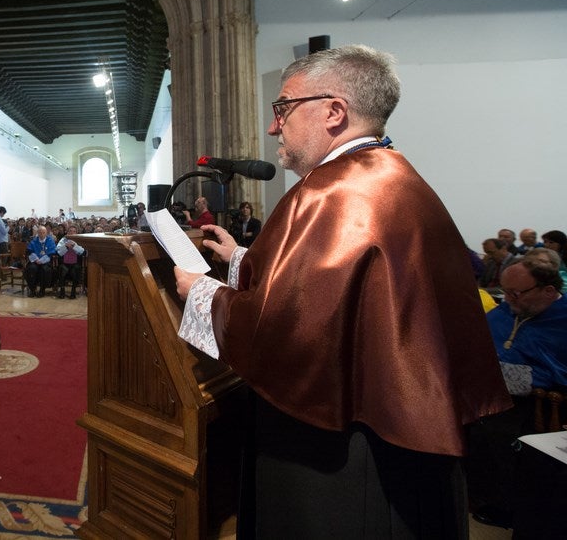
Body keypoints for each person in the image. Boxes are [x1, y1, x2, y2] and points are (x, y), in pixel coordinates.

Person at [173, 45, 510, 537]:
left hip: (347, 454)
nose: (274, 127)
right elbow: (352, 291)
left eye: (283, 107)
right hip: (398, 429)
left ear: (334, 111)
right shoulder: (389, 176)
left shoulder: (334, 192)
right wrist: (241, 260)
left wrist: (200, 291)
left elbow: (286, 330)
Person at [466, 259, 567, 528]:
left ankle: (506, 505)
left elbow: (558, 371)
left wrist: (511, 375)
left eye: (516, 293)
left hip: (540, 401)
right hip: (491, 389)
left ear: (547, 290)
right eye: (505, 291)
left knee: (495, 431)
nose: (508, 298)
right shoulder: (507, 310)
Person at [25, 225, 57, 298]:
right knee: (31, 269)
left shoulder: (50, 240)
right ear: (37, 233)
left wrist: (42, 260)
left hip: (46, 261)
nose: (42, 234)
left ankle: (42, 290)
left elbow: (51, 253)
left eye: (43, 232)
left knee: (45, 269)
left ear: (46, 233)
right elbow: (29, 251)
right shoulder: (34, 241)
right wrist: (36, 259)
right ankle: (32, 289)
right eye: (40, 232)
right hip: (35, 261)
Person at [56, 225, 85, 299]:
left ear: (77, 232)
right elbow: (59, 252)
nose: (72, 233)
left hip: (75, 263)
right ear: (67, 232)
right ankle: (62, 290)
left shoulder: (80, 239)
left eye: (74, 231)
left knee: (76, 269)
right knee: (62, 269)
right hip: (64, 263)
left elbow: (82, 252)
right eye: (70, 231)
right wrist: (66, 246)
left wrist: (74, 246)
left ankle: (73, 291)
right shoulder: (63, 240)